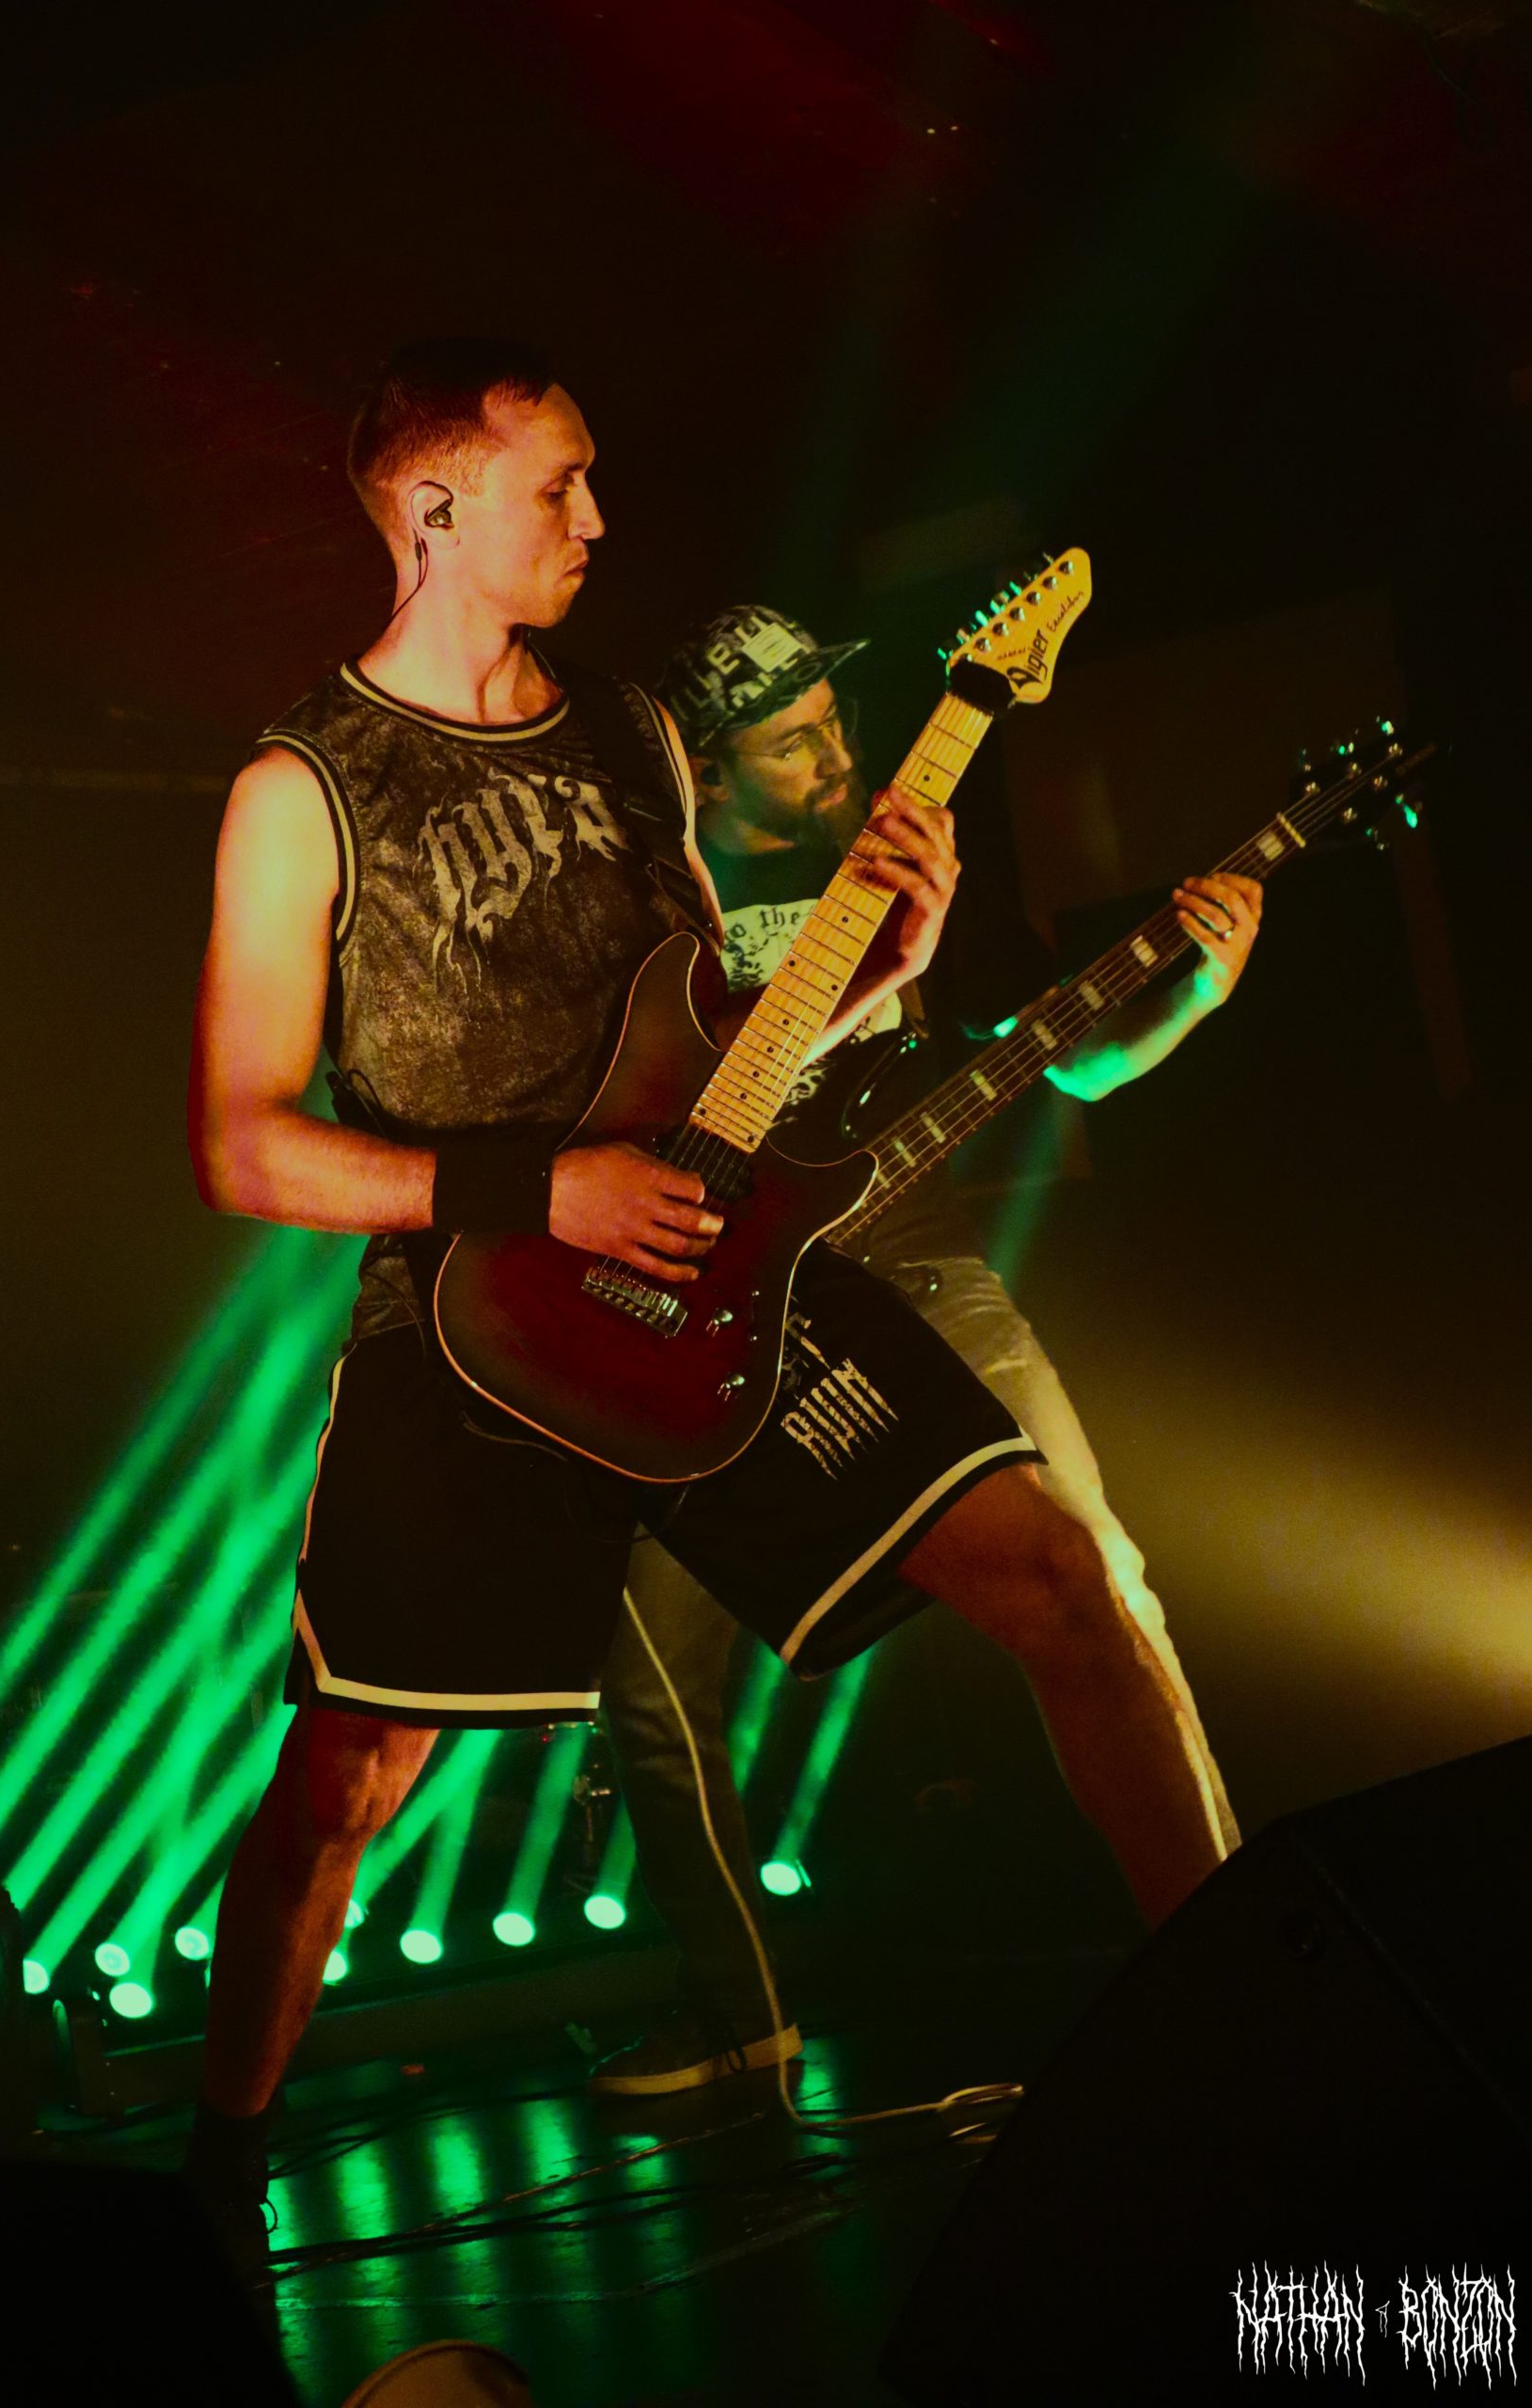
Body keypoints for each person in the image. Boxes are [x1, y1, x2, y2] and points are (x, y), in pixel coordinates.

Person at [182, 338, 1235, 2273]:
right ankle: (207, 2179)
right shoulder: (300, 787)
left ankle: (1257, 2024)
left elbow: (705, 1047)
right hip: (476, 1325)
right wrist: (537, 1186)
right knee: (342, 1779)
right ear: (433, 509)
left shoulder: (628, 733)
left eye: (591, 479)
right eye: (557, 485)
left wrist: (868, 971)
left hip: (709, 1266)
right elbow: (245, 1147)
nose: (598, 518)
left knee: (1069, 1578)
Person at [590, 605, 1260, 2096]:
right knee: (648, 1678)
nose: (836, 757)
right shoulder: (652, 904)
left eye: (837, 721)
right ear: (708, 771)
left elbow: (1070, 1061)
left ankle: (1231, 1948)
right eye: (793, 742)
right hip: (714, 1292)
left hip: (920, 1258)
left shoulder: (905, 853)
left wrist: (1193, 998)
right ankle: (739, 2019)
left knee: (1102, 1574)